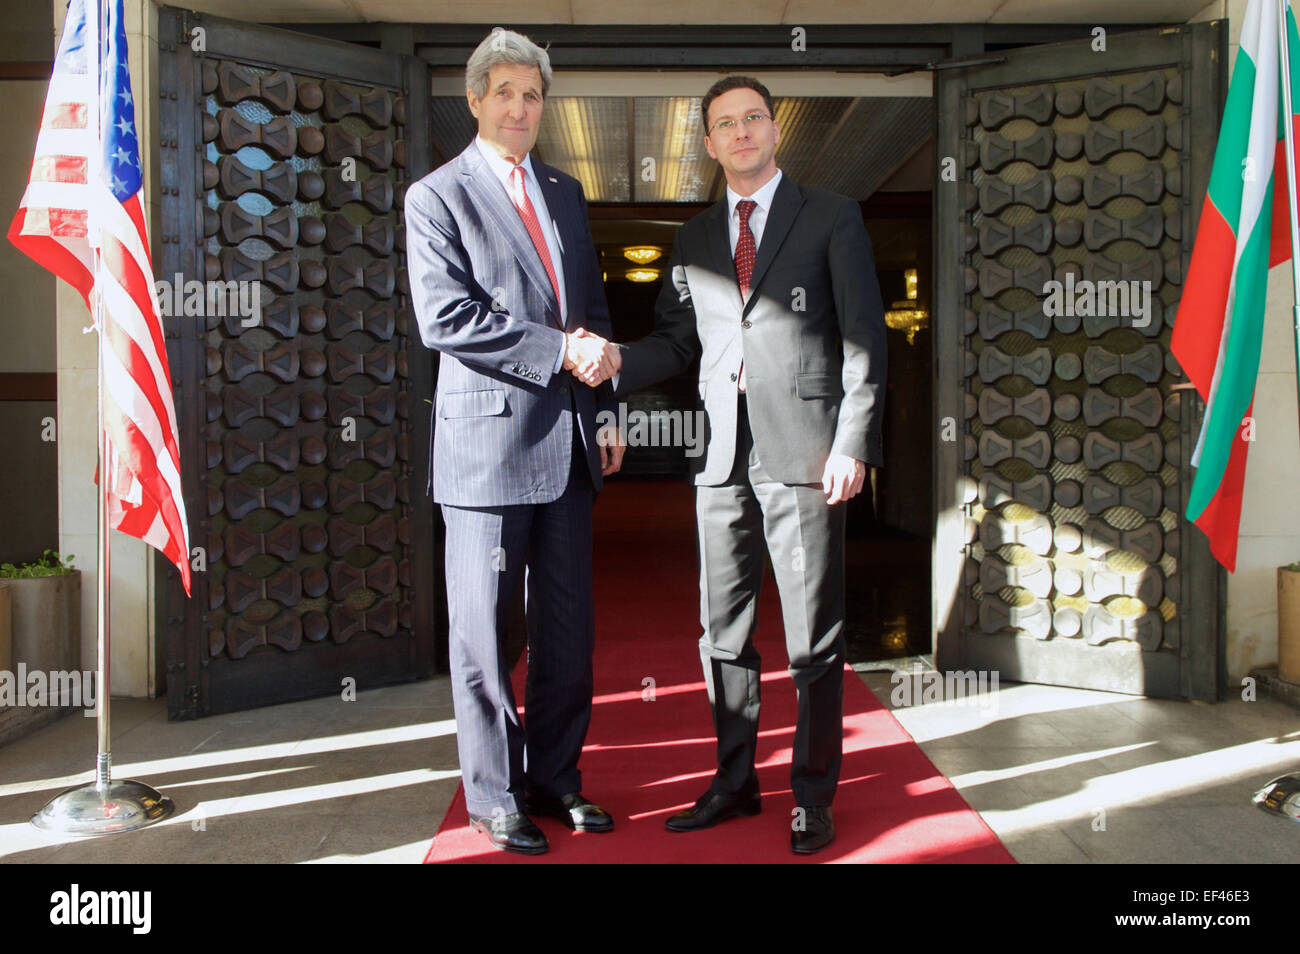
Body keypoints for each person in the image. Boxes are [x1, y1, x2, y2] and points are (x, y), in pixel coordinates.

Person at [574, 75, 887, 854]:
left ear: (775, 131)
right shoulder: (695, 239)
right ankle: (734, 781)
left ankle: (813, 795)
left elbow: (863, 338)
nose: (742, 132)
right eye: (725, 124)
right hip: (720, 460)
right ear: (708, 144)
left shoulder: (832, 217)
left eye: (754, 119)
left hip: (808, 453)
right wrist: (614, 361)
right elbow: (680, 344)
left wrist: (853, 441)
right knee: (722, 635)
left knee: (814, 638)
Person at [405, 28, 624, 856]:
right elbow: (446, 319)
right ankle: (494, 797)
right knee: (485, 637)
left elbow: (593, 311)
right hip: (486, 460)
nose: (519, 107)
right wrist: (557, 350)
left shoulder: (565, 191)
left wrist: (603, 410)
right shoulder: (436, 196)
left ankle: (557, 779)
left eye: (532, 95)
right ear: (474, 99)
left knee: (569, 633)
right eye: (504, 92)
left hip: (569, 447)